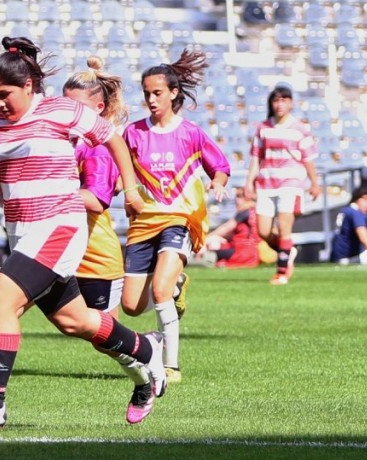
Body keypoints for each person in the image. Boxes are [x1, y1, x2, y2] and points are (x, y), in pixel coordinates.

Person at [0, 36, 166, 431]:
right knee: (76, 321)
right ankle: (145, 349)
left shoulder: (61, 110)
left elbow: (113, 140)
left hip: (59, 226)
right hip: (22, 233)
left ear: (28, 85)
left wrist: (131, 191)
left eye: (5, 93)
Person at [119, 50, 231, 386]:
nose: (151, 100)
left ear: (173, 93)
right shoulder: (133, 133)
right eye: (147, 94)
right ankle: (177, 285)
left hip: (180, 218)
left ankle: (171, 366)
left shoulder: (190, 133)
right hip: (144, 222)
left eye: (157, 93)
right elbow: (121, 173)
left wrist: (218, 182)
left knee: (160, 291)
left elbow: (220, 166)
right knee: (131, 306)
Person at [244, 85, 322, 285]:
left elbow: (308, 159)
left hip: (290, 182)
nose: (280, 105)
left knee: (284, 226)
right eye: (276, 100)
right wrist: (249, 182)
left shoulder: (299, 129)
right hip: (266, 183)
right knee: (263, 231)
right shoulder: (263, 128)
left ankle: (282, 272)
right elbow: (256, 157)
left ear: (291, 103)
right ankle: (288, 251)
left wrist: (315, 183)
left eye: (284, 100)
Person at [204, 186, 264, 268]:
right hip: (253, 254)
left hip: (241, 252)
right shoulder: (258, 211)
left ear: (247, 197)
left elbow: (225, 229)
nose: (236, 200)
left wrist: (205, 239)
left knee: (212, 244)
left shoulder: (245, 212)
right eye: (236, 196)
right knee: (215, 241)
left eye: (240, 196)